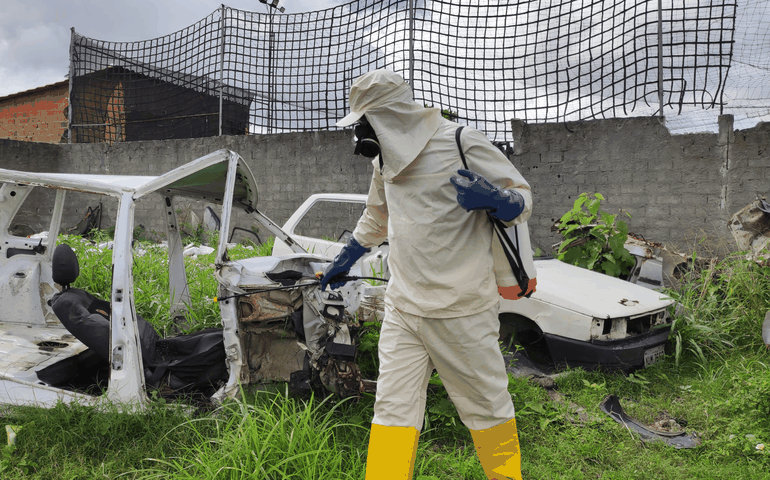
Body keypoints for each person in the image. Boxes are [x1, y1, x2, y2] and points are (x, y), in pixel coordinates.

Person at [320, 69, 532, 480]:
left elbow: (522, 197)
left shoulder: (461, 142)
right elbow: (377, 215)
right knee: (392, 408)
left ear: (388, 117)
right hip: (403, 308)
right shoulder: (385, 157)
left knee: (487, 408)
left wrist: (496, 199)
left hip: (462, 310)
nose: (358, 135)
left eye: (362, 123)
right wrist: (344, 258)